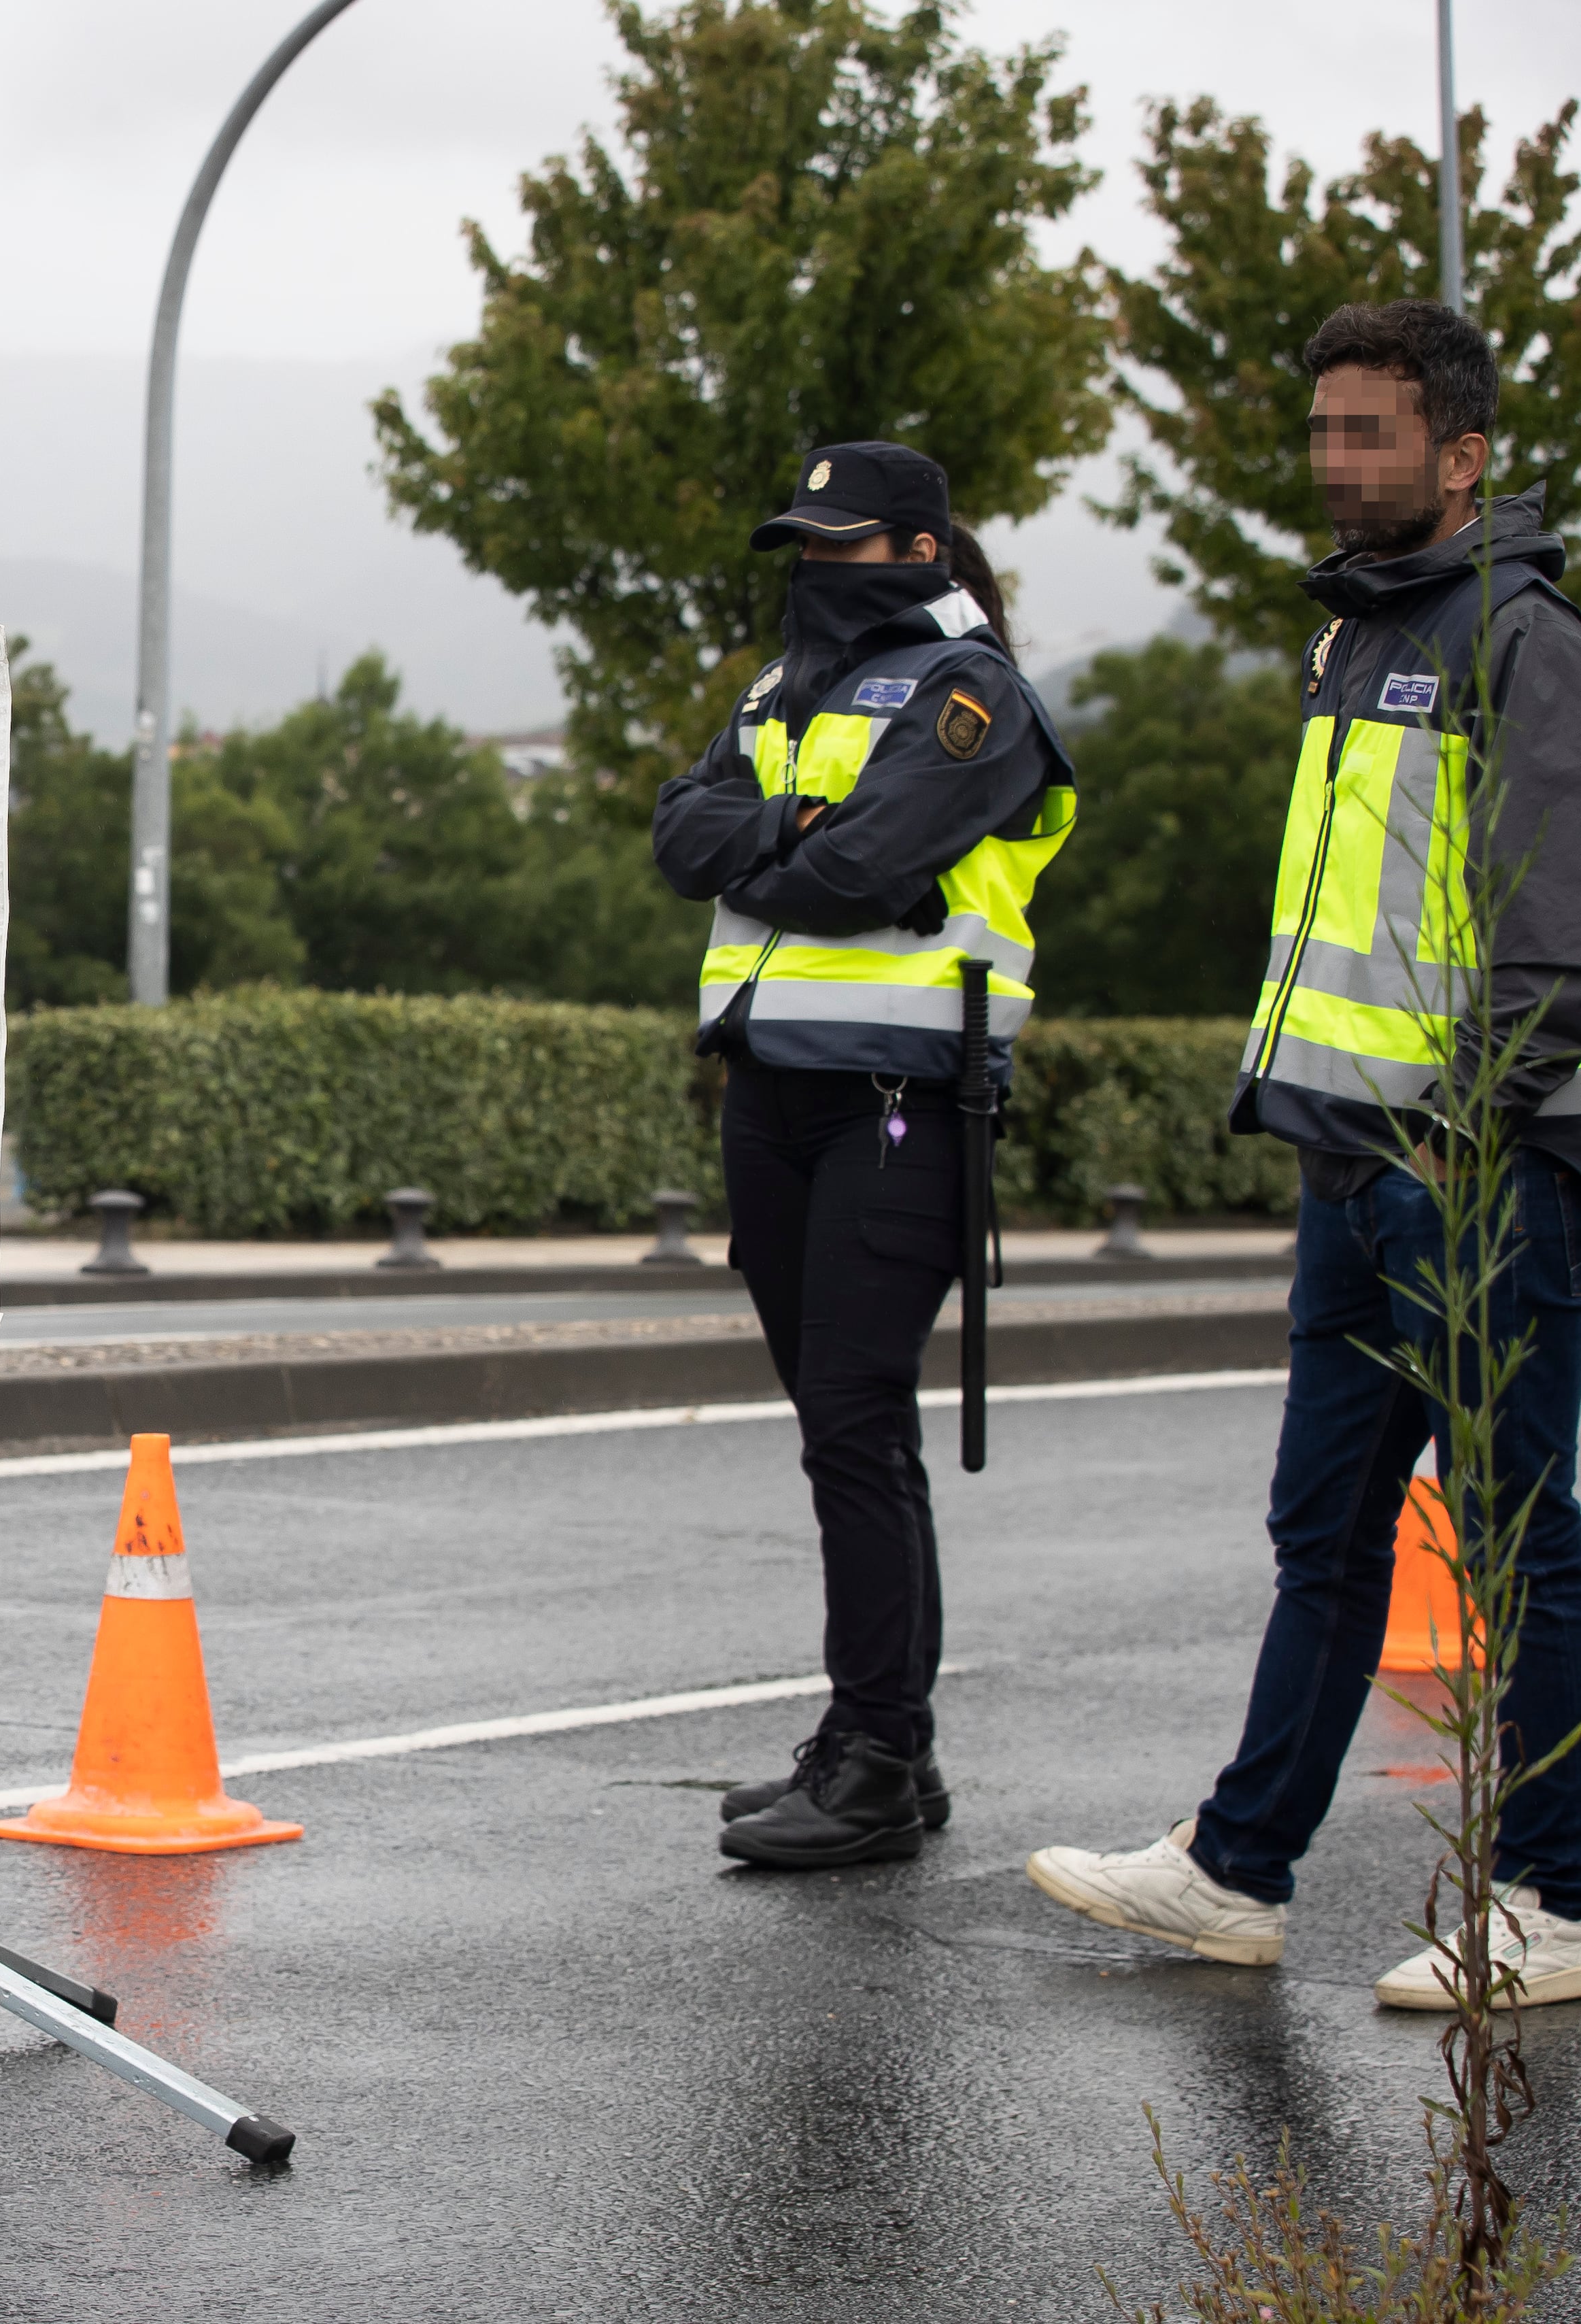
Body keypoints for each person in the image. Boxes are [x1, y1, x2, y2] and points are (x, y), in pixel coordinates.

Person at [1027, 300, 1581, 2006]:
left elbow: (1552, 932)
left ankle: (1558, 1899)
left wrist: (1457, 1132)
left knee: (1517, 1536)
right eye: (1326, 431)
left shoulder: (1518, 631)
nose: (1338, 462)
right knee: (1325, 1537)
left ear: (1464, 455)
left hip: (1466, 1172)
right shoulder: (1354, 632)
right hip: (1349, 1166)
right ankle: (1235, 1870)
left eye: (1374, 435)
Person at [653, 439, 1078, 1869]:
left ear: (916, 550)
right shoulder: (779, 693)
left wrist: (760, 847)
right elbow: (676, 830)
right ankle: (877, 1736)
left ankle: (878, 1758)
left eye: (839, 545)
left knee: (852, 1415)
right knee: (840, 1429)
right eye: (802, 544)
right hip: (771, 1092)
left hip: (899, 1097)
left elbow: (861, 871)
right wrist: (780, 828)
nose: (813, 570)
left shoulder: (973, 697)